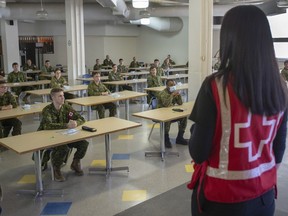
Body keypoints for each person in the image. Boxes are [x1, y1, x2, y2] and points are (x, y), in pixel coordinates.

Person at [188, 6, 288, 216]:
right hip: (264, 196)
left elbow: (198, 152)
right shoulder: (281, 86)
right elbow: (278, 148)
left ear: (229, 40)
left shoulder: (215, 86)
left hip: (221, 198)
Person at [38, 88, 89, 182]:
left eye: (63, 95)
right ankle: (56, 168)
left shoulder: (66, 107)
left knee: (84, 144)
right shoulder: (47, 110)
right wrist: (66, 125)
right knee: (63, 148)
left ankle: (75, 163)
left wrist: (76, 123)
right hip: (49, 138)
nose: (63, 98)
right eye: (60, 96)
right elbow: (48, 126)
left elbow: (81, 118)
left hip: (64, 135)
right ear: (53, 97)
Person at [157, 79, 187, 148]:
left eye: (174, 85)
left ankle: (180, 137)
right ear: (167, 86)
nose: (173, 86)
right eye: (171, 85)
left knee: (184, 117)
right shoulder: (163, 93)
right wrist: (172, 95)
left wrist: (178, 95)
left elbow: (180, 103)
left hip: (171, 112)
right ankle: (166, 139)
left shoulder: (173, 92)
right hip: (161, 114)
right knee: (167, 119)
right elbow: (166, 104)